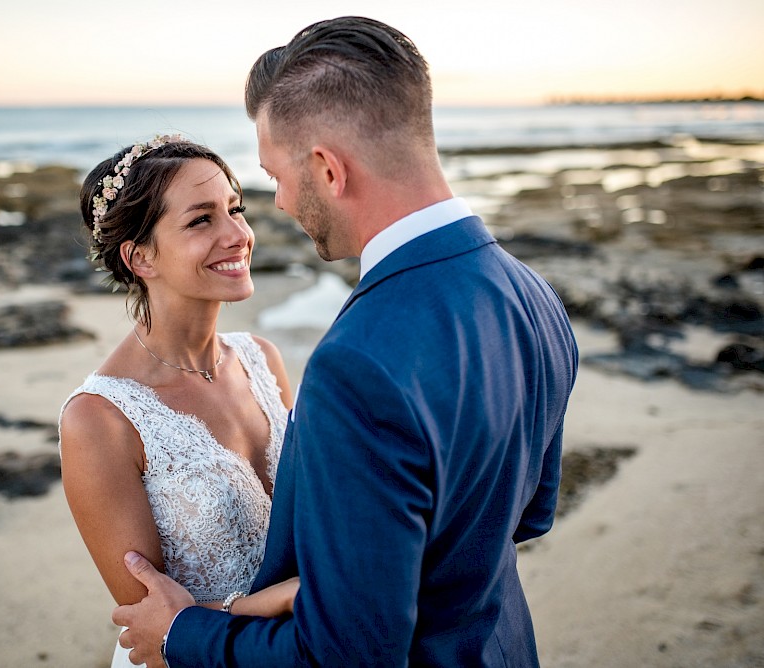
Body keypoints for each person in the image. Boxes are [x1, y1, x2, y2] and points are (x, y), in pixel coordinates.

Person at [112, 16, 579, 668]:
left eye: (276, 177)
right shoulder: (533, 297)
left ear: (328, 169)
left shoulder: (355, 367)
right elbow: (527, 516)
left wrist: (186, 631)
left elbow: (347, 655)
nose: (276, 205)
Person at [57, 135, 299, 668]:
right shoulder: (100, 419)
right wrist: (283, 600)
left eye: (235, 209)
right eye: (201, 221)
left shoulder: (262, 359)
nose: (237, 235)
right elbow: (150, 626)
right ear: (140, 257)